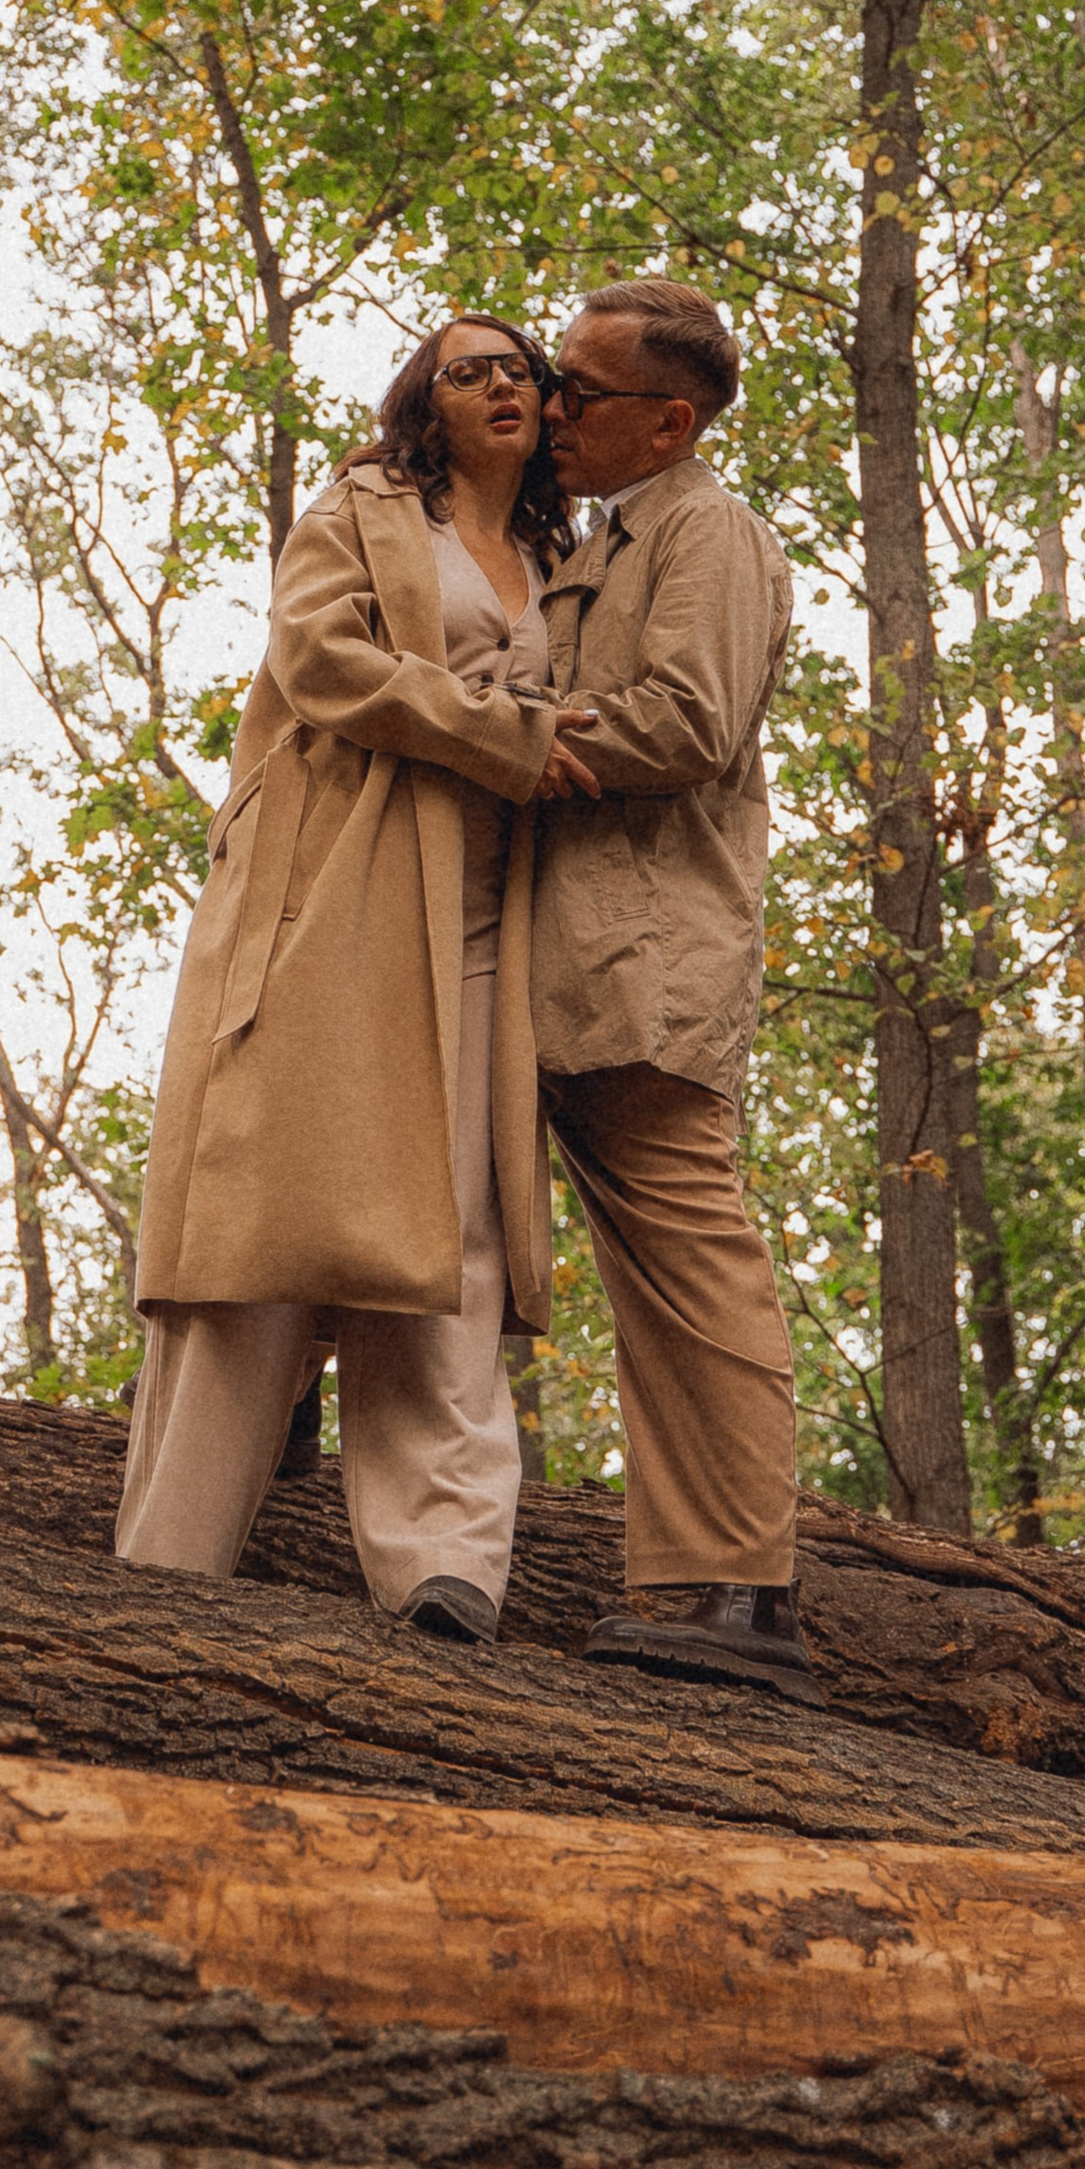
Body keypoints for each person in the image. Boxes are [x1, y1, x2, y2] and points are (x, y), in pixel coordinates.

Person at [117, 314, 598, 1639]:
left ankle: (446, 1568)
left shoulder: (563, 557)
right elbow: (320, 662)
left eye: (519, 369)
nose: (499, 384)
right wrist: (503, 734)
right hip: (340, 884)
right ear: (423, 407)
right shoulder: (364, 509)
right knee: (270, 1214)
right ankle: (167, 1572)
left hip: (492, 914)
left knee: (456, 1229)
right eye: (465, 371)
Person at [533, 275, 815, 1694]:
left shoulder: (711, 531)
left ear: (669, 423)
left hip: (644, 957)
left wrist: (485, 724)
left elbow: (689, 722)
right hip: (554, 949)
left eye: (580, 391)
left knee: (691, 1259)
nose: (552, 408)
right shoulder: (595, 539)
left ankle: (735, 1596)